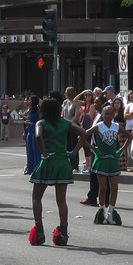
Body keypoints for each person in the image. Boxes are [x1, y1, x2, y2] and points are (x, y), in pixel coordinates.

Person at [28, 98, 87, 246]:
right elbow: (84, 133)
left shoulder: (41, 123)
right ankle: (63, 233)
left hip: (48, 162)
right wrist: (74, 152)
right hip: (62, 162)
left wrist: (44, 153)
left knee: (36, 197)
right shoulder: (65, 123)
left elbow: (37, 136)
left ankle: (40, 232)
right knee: (61, 200)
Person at [86, 105, 132, 225]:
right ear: (102, 114)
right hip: (102, 160)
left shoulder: (117, 126)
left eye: (111, 114)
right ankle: (102, 211)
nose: (109, 116)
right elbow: (83, 135)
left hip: (113, 160)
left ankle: (111, 212)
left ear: (114, 115)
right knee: (102, 188)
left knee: (114, 188)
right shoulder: (98, 126)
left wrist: (121, 151)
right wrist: (94, 149)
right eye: (106, 114)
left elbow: (130, 136)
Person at [80, 95, 107, 207]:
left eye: (97, 103)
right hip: (94, 147)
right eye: (94, 103)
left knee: (102, 175)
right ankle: (92, 197)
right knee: (93, 174)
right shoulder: (97, 115)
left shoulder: (105, 117)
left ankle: (105, 200)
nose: (94, 105)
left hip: (102, 148)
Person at [62, 87, 83, 173]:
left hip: (73, 126)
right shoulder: (65, 102)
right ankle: (68, 165)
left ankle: (75, 166)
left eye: (66, 93)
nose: (65, 94)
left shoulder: (76, 103)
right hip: (65, 126)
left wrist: (69, 123)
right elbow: (62, 113)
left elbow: (76, 116)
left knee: (74, 146)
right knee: (67, 146)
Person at [21, 95, 41, 175]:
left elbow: (39, 121)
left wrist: (32, 124)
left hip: (34, 130)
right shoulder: (29, 110)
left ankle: (37, 168)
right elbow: (28, 118)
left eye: (30, 100)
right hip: (29, 131)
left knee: (36, 150)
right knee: (29, 151)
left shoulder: (37, 110)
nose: (28, 102)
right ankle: (30, 168)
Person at [112, 97, 127, 171]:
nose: (116, 104)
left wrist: (119, 124)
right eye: (115, 103)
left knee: (122, 149)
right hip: (113, 133)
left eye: (118, 103)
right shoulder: (111, 112)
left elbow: (126, 123)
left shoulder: (122, 112)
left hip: (121, 133)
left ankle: (123, 167)